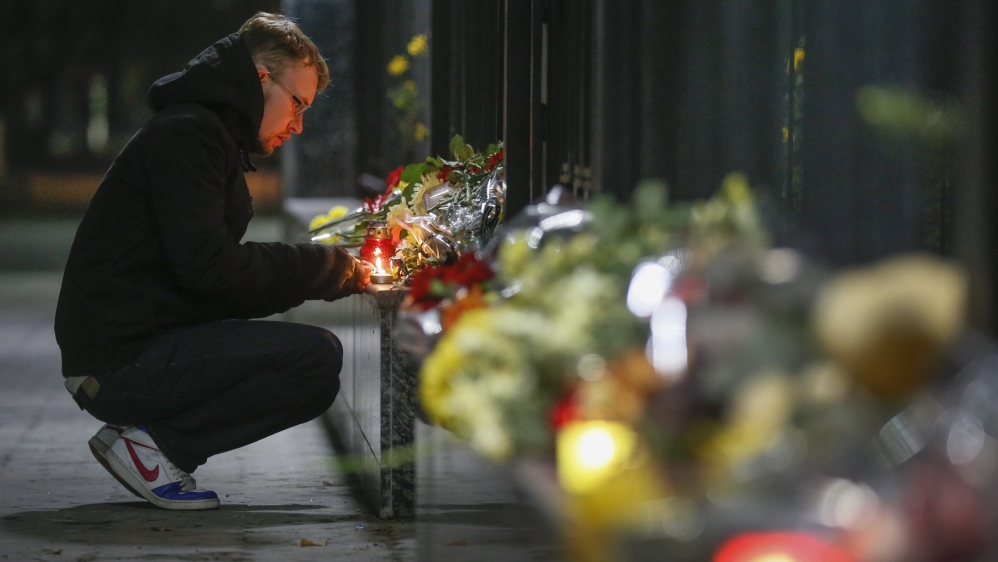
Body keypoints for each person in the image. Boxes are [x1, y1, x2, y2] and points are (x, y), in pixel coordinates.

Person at [54, 12, 370, 511]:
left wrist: (329, 274)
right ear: (261, 78)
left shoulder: (204, 133)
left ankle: (153, 443)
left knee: (317, 366)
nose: (298, 125)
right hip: (117, 360)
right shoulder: (189, 135)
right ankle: (156, 450)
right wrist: (325, 268)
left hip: (132, 346)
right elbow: (210, 269)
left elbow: (213, 279)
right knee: (314, 358)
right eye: (297, 104)